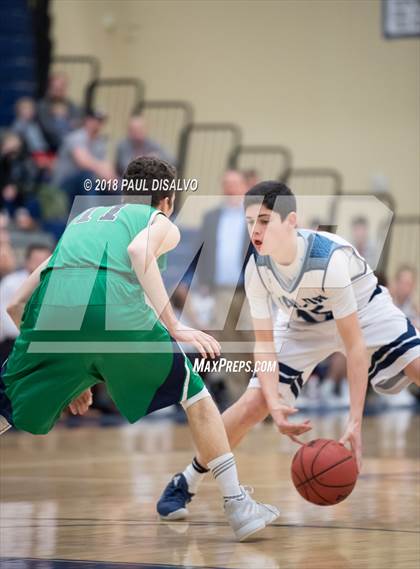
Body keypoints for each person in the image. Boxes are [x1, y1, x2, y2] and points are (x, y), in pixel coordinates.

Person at [0, 157, 279, 541]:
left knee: (5, 403)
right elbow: (137, 252)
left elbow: (15, 304)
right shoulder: (159, 221)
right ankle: (236, 505)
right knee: (194, 394)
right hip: (113, 308)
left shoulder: (83, 223)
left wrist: (71, 373)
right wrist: (175, 325)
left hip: (53, 314)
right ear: (166, 200)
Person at [156, 180, 420, 520]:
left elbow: (354, 347)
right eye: (250, 222)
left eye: (264, 220)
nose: (256, 230)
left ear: (291, 221)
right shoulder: (256, 269)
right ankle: (187, 479)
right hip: (301, 326)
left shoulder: (328, 261)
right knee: (253, 404)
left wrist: (354, 421)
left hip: (366, 312)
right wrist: (276, 406)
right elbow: (263, 345)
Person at [0, 243, 52, 364]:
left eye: (44, 260)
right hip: (16, 340)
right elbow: (6, 319)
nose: (40, 264)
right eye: (36, 260)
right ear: (27, 261)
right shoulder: (11, 282)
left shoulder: (58, 283)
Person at [52, 110, 115, 203]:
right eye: (95, 120)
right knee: (86, 177)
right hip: (62, 185)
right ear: (87, 120)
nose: (97, 124)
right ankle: (92, 214)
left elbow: (107, 168)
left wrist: (113, 181)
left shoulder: (99, 142)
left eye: (100, 121)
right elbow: (83, 163)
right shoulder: (77, 136)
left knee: (113, 186)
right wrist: (103, 170)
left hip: (84, 186)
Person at [37, 72, 81, 152]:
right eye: (55, 88)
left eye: (61, 88)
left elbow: (77, 123)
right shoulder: (42, 105)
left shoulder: (71, 105)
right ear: (49, 87)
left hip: (70, 142)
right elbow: (47, 128)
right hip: (49, 143)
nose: (58, 91)